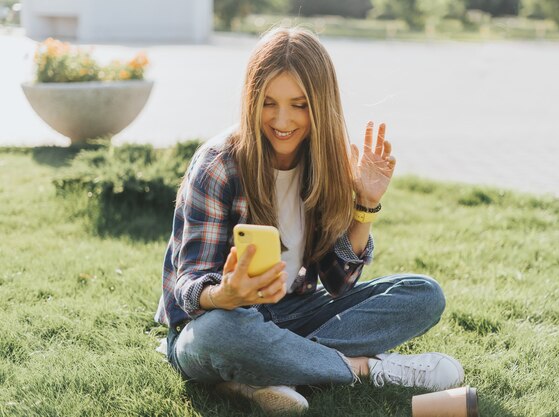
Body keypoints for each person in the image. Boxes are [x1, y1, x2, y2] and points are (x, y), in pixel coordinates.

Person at [155, 27, 464, 415]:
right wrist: (225, 295)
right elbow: (187, 287)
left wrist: (365, 205)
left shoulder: (324, 162)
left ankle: (262, 373)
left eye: (299, 105)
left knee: (423, 293)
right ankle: (364, 369)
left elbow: (337, 283)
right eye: (269, 103)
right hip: (220, 322)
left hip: (295, 313)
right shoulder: (218, 165)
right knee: (222, 333)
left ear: (320, 103)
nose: (282, 120)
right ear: (251, 100)